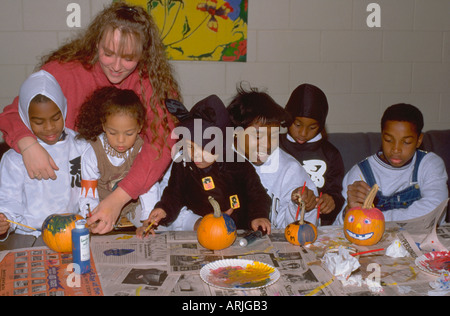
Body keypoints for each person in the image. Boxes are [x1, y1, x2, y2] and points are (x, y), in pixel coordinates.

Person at [0, 2, 181, 234]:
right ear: (96, 44)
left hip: (127, 194)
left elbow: (162, 142)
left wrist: (117, 199)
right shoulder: (65, 70)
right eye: (107, 53)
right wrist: (27, 144)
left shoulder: (152, 82)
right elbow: (15, 112)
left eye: (128, 58)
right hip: (70, 196)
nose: (116, 66)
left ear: (143, 54)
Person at [137, 95, 272, 237]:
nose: (195, 155)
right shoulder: (183, 164)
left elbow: (257, 194)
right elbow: (174, 193)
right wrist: (164, 209)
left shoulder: (237, 164)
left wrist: (259, 215)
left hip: (238, 230)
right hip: (203, 231)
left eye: (204, 150)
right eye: (190, 147)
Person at [0, 70, 88, 240]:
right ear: (25, 118)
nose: (49, 128)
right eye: (38, 122)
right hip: (29, 236)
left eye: (56, 118)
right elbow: (8, 200)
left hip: (74, 233)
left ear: (64, 110)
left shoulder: (81, 147)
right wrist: (5, 220)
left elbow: (89, 191)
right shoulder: (14, 160)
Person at [334, 103, 448, 224]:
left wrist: (373, 218)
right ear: (381, 136)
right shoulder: (360, 173)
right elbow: (338, 228)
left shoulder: (430, 164)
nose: (396, 149)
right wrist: (348, 211)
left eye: (407, 142)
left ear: (419, 140)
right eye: (388, 140)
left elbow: (435, 210)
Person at [227, 85, 318, 229]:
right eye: (258, 136)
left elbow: (299, 230)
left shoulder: (290, 170)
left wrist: (301, 206)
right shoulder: (213, 161)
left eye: (274, 135)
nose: (267, 144)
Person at [76, 86, 160, 229]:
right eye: (113, 133)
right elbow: (88, 193)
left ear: (139, 128)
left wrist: (147, 216)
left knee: (160, 228)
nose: (120, 140)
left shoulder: (142, 149)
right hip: (103, 207)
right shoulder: (93, 153)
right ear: (104, 126)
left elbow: (149, 186)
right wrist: (92, 216)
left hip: (134, 207)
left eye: (128, 134)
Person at [280, 84, 345, 225]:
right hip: (279, 223)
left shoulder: (330, 154)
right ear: (287, 119)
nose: (303, 133)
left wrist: (332, 201)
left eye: (312, 127)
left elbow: (337, 192)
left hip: (318, 226)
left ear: (321, 125)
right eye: (297, 125)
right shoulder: (274, 147)